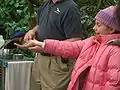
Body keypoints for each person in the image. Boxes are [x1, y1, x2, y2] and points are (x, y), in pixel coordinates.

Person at [15, 5, 120, 90]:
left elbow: (114, 84)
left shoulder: (115, 51)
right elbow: (70, 47)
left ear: (111, 29)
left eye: (98, 25)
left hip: (57, 65)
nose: (94, 28)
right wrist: (43, 45)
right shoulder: (93, 41)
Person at [24, 0, 83, 90]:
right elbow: (41, 25)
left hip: (58, 63)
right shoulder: (46, 4)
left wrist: (45, 47)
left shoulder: (71, 8)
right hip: (40, 60)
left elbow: (75, 40)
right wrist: (32, 31)